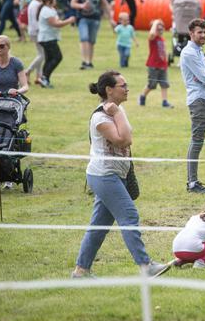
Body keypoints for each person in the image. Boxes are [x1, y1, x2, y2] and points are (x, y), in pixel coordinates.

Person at [72, 71, 172, 279]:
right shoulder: (101, 117)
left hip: (117, 175)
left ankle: (81, 271)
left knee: (99, 226)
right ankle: (146, 266)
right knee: (129, 215)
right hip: (104, 175)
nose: (127, 89)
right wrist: (117, 114)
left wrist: (118, 112)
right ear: (109, 90)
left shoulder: (118, 109)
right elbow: (124, 140)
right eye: (122, 86)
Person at [180, 18, 205, 194]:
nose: (203, 35)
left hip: (204, 98)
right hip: (199, 100)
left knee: (198, 141)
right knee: (196, 141)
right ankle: (192, 183)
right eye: (199, 32)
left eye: (204, 32)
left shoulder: (199, 51)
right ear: (191, 33)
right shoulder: (189, 53)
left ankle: (193, 181)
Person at [71, 0, 114, 70]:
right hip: (83, 18)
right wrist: (82, 6)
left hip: (95, 19)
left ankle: (89, 62)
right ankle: (84, 61)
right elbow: (73, 3)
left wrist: (111, 19)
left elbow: (105, 4)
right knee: (84, 38)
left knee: (91, 41)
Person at [36, 0, 76, 88]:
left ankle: (44, 79)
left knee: (49, 59)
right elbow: (55, 24)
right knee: (57, 57)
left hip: (49, 38)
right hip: (47, 38)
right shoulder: (46, 10)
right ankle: (44, 78)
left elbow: (56, 21)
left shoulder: (50, 9)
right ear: (49, 1)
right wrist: (69, 20)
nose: (55, 1)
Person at [139, 19, 172, 108]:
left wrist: (166, 62)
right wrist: (156, 23)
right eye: (158, 28)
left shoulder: (162, 39)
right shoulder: (152, 38)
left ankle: (165, 102)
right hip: (153, 65)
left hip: (162, 65)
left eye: (161, 27)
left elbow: (163, 51)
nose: (160, 30)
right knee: (152, 84)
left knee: (164, 84)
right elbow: (152, 33)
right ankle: (142, 96)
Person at [24, 0, 46, 85]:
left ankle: (38, 76)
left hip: (34, 31)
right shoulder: (36, 5)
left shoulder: (34, 3)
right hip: (37, 32)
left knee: (40, 54)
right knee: (42, 55)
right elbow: (35, 21)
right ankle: (28, 71)